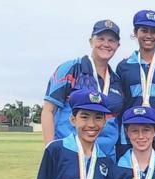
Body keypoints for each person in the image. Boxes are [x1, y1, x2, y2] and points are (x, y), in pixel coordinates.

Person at [41, 20, 124, 159]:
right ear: (91, 41)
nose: (106, 44)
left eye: (112, 40)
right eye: (101, 38)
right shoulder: (70, 69)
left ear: (117, 46)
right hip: (70, 153)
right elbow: (48, 110)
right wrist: (51, 151)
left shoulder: (116, 80)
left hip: (106, 157)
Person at [116, 10, 155, 162]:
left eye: (154, 31)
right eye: (144, 30)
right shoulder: (123, 66)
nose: (149, 36)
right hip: (129, 138)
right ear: (135, 32)